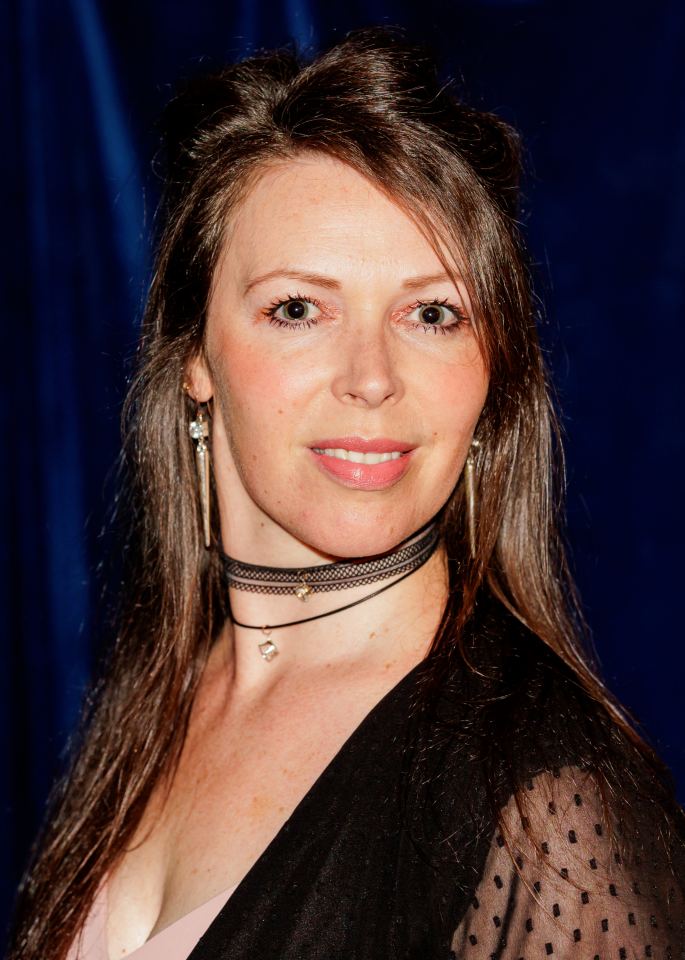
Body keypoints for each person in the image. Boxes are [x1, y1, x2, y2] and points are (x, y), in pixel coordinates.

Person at [8, 26, 685, 960]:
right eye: (298, 308)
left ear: (493, 374)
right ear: (196, 355)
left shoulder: (548, 811)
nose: (371, 377)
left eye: (432, 313)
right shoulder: (158, 695)